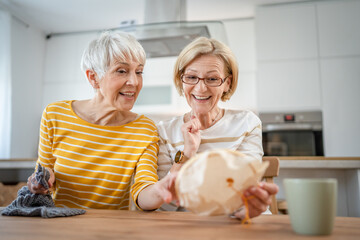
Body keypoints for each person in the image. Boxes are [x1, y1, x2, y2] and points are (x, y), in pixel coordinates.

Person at [27, 31, 176, 211]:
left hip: (110, 229)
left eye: (139, 71)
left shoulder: (144, 129)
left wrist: (160, 190)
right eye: (122, 71)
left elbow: (142, 191)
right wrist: (41, 181)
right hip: (60, 222)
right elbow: (46, 168)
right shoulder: (55, 115)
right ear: (93, 77)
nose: (134, 81)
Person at [157, 37, 279, 219]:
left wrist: (247, 206)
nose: (200, 88)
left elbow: (245, 197)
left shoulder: (247, 123)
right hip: (187, 229)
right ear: (181, 80)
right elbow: (164, 208)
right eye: (191, 77)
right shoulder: (164, 131)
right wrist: (188, 153)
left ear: (227, 83)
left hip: (241, 224)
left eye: (212, 78)